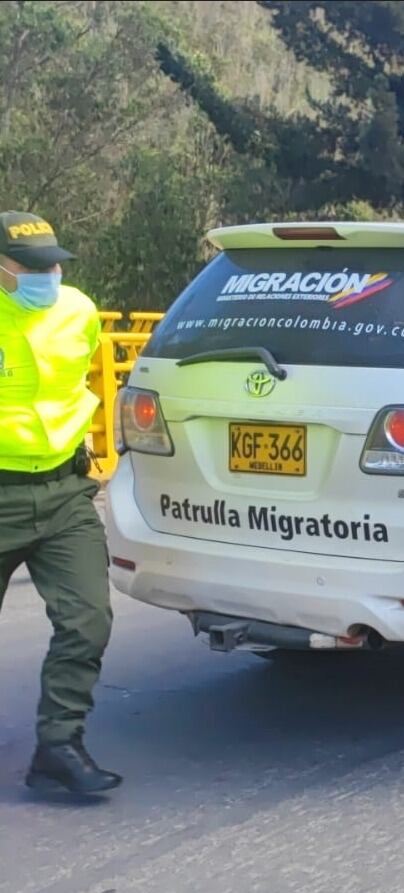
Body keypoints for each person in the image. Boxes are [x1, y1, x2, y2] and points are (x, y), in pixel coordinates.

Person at [0, 211, 121, 794]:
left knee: (88, 619)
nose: (49, 273)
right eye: (32, 266)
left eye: (55, 262)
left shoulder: (78, 310)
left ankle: (58, 744)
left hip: (65, 489)